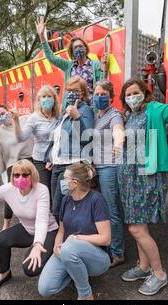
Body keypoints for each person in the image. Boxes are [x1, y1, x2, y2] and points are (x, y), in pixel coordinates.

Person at [118, 64, 168, 295]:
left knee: (136, 228)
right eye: (128, 94)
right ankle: (143, 267)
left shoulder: (155, 109)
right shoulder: (129, 116)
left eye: (135, 92)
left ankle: (159, 273)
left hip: (148, 177)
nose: (132, 97)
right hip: (130, 178)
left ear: (145, 92)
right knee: (139, 225)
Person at [0, 156, 59, 293]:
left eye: (25, 174)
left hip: (48, 231)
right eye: (16, 174)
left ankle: (53, 257)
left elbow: (42, 221)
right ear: (12, 176)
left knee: (31, 269)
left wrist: (38, 245)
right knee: (0, 240)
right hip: (27, 229)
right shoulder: (9, 188)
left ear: (33, 175)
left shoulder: (41, 190)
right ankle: (4, 273)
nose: (20, 178)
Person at [38, 163, 111, 300]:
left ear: (75, 183)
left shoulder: (97, 200)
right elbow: (61, 231)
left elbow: (106, 239)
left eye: (64, 178)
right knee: (45, 289)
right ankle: (74, 271)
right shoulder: (66, 200)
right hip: (68, 251)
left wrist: (77, 238)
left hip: (97, 258)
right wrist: (56, 247)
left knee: (69, 247)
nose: (62, 181)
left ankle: (85, 294)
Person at [46, 76, 94, 220]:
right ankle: (61, 238)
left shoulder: (84, 111)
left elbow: (87, 138)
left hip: (70, 166)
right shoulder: (64, 113)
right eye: (68, 90)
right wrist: (50, 158)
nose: (71, 93)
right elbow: (58, 139)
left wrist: (77, 117)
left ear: (83, 94)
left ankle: (66, 239)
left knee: (60, 207)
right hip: (57, 165)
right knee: (57, 206)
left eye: (75, 90)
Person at [35, 16, 109, 110]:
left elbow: (101, 85)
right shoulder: (68, 66)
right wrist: (42, 37)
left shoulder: (95, 65)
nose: (78, 49)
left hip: (89, 111)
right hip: (70, 110)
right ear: (72, 51)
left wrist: (104, 69)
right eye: (75, 48)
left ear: (85, 48)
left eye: (80, 46)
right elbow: (51, 57)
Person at [92, 80, 125, 268]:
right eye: (96, 94)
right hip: (98, 167)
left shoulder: (114, 114)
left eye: (103, 94)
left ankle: (118, 253)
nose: (99, 97)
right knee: (102, 210)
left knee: (111, 211)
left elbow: (118, 129)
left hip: (109, 168)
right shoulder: (97, 115)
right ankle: (107, 245)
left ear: (111, 97)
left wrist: (118, 142)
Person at [11, 85, 60, 198]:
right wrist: (16, 121)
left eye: (49, 96)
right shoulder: (34, 118)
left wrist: (52, 159)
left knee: (57, 193)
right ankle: (44, 215)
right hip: (41, 161)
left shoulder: (59, 117)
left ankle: (54, 215)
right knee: (45, 192)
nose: (47, 99)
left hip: (57, 160)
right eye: (44, 96)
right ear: (39, 100)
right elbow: (21, 138)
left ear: (54, 99)